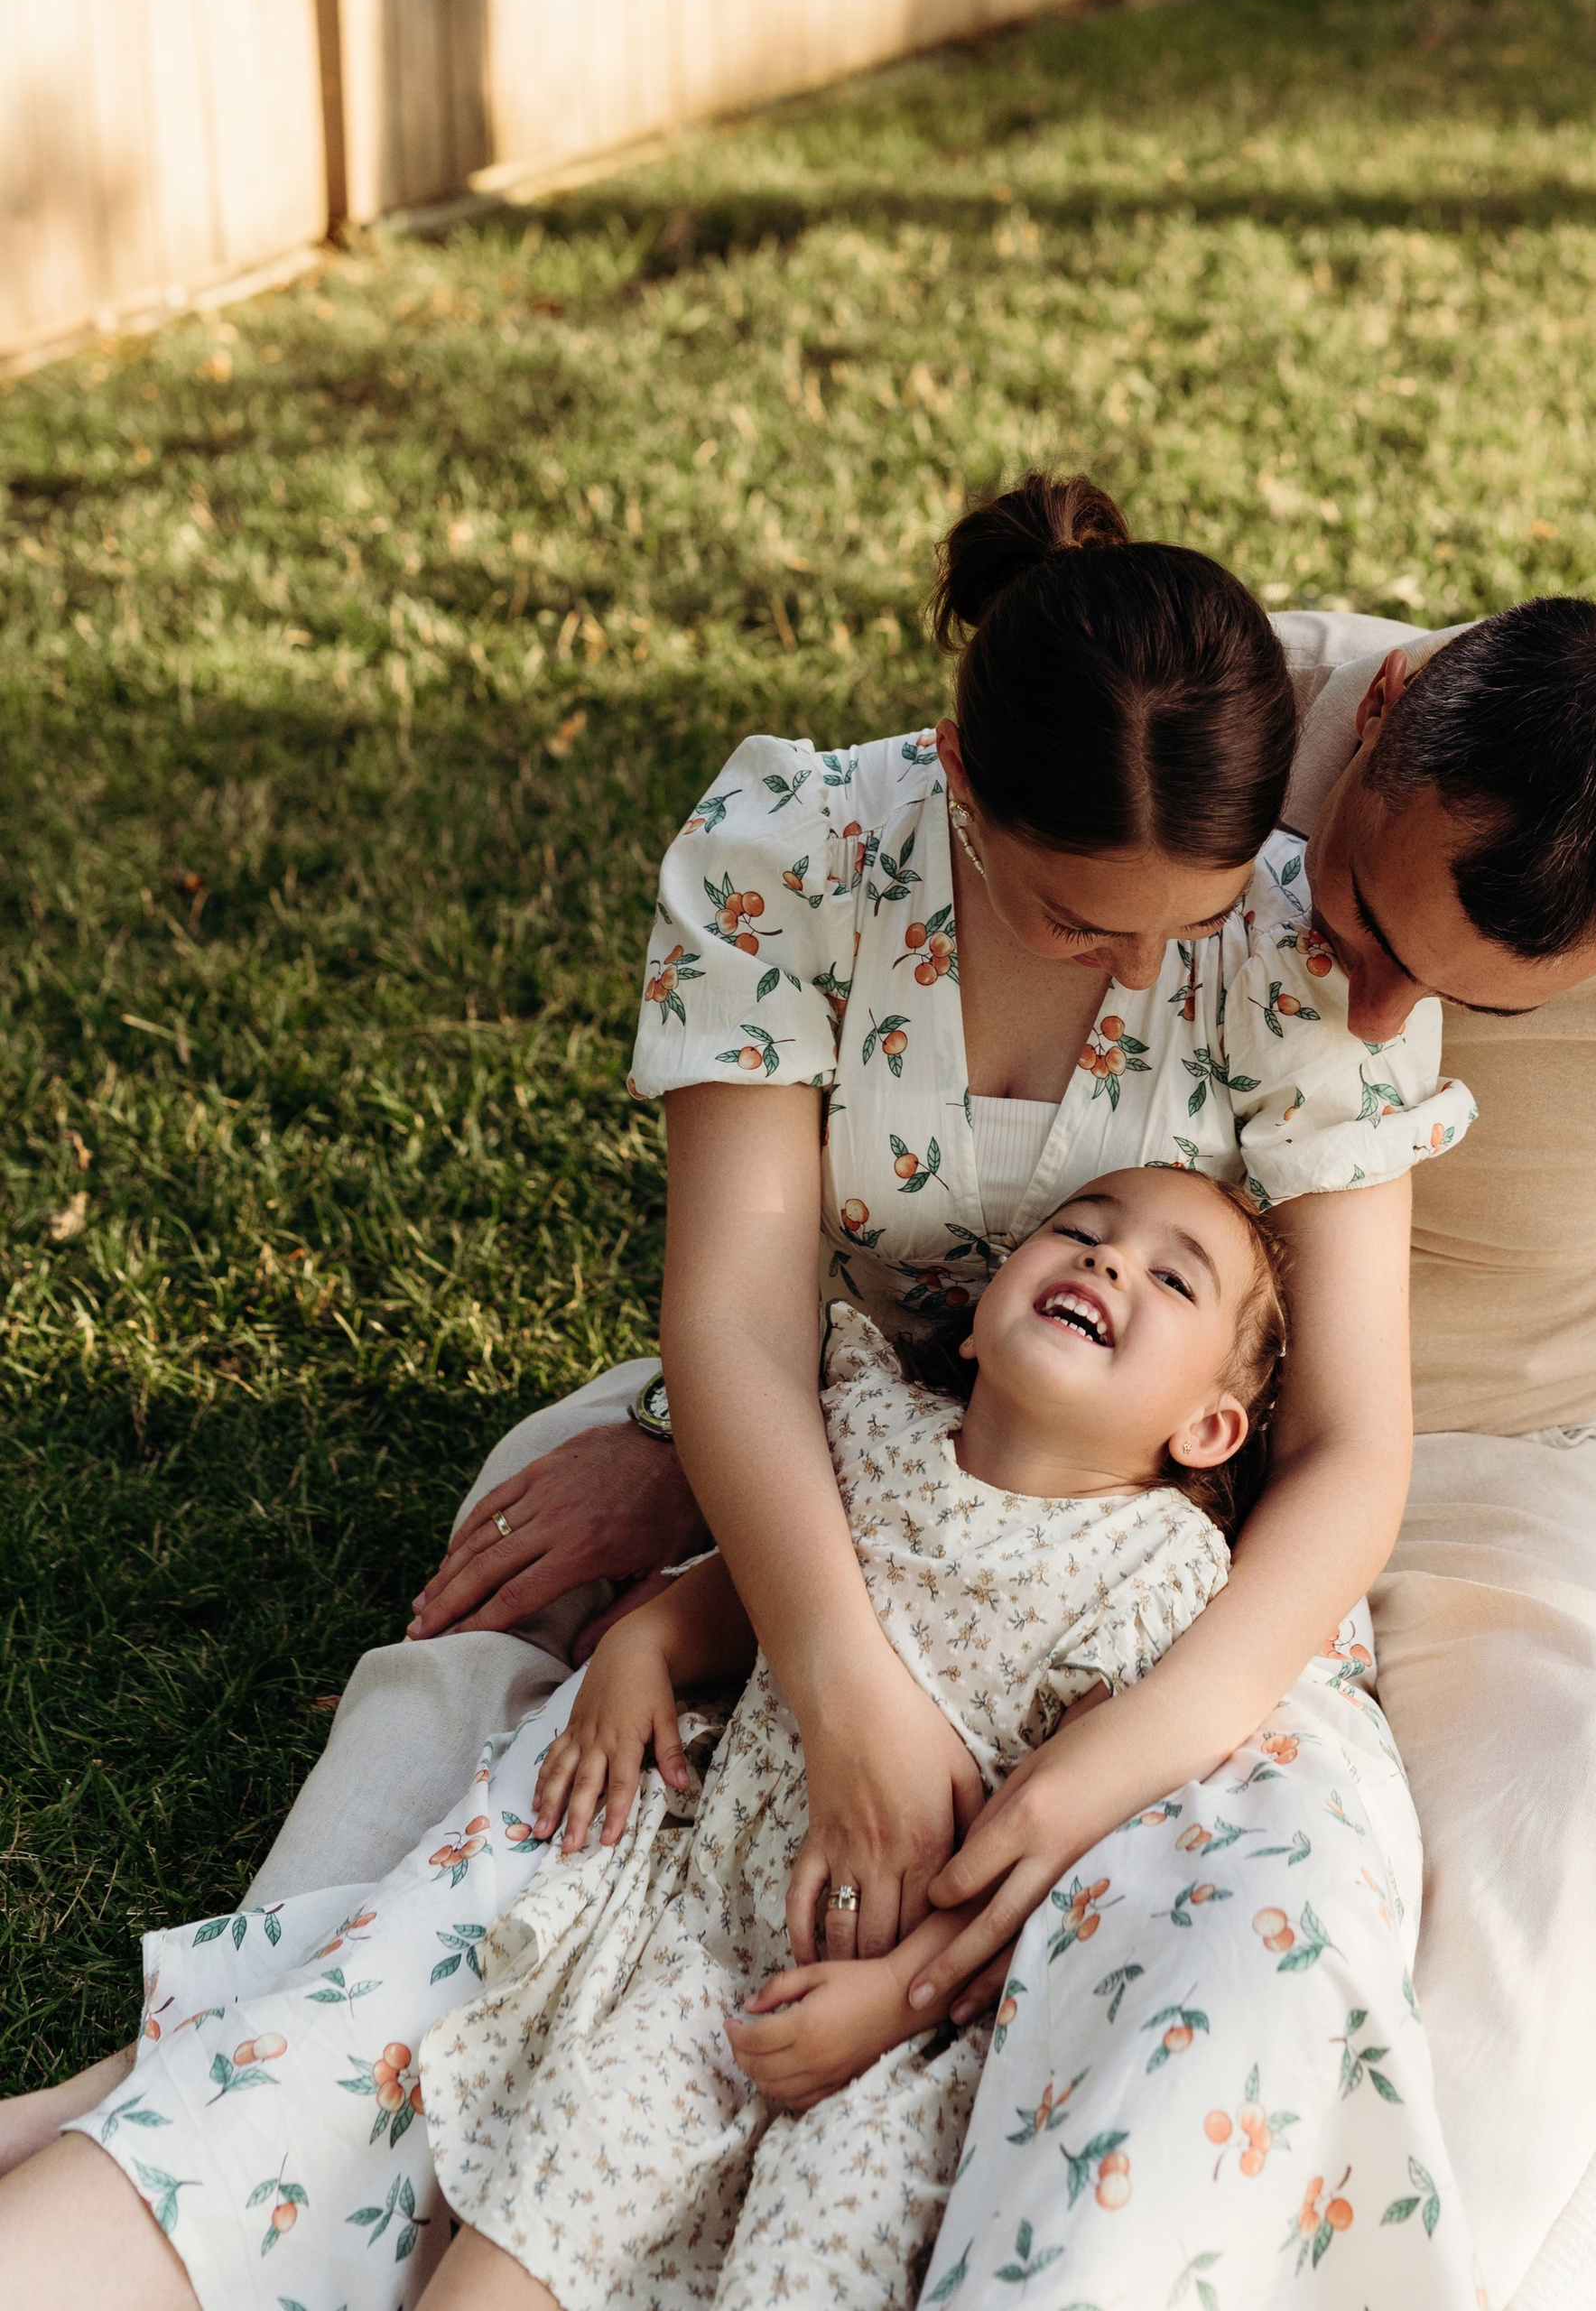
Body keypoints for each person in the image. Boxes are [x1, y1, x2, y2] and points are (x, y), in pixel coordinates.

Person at [0, 480, 1479, 2308]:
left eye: (1185, 924)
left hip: (1166, 1606)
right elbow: (736, 1326)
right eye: (1077, 921)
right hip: (801, 1467)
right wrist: (839, 1685)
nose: (1144, 969)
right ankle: (213, 2154)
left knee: (1232, 1950)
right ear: (960, 773)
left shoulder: (1298, 955)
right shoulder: (803, 850)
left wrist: (1119, 1756)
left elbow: (1350, 1445)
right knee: (546, 1866)